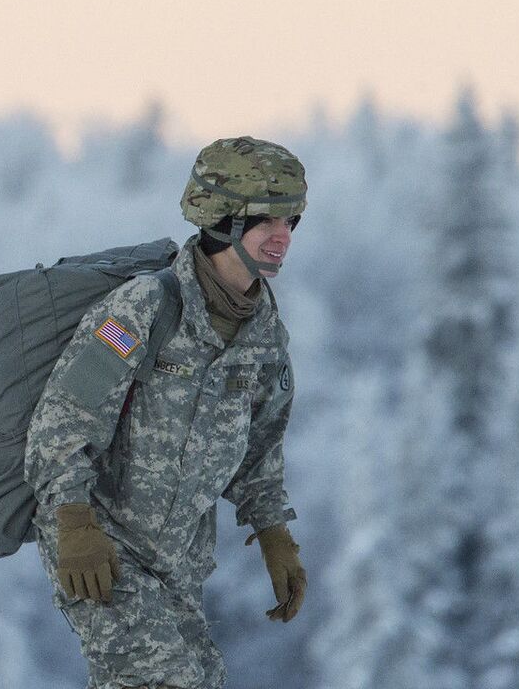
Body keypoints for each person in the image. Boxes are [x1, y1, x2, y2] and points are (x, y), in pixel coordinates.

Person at [24, 137, 309, 689]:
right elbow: (63, 419)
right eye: (265, 220)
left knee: (199, 680)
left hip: (178, 561)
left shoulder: (266, 336)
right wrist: (75, 522)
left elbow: (260, 448)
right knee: (162, 680)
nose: (283, 236)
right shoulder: (144, 309)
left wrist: (275, 534)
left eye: (291, 220)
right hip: (101, 544)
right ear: (222, 221)